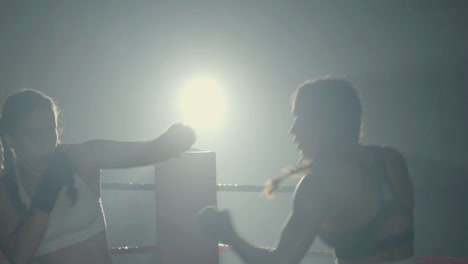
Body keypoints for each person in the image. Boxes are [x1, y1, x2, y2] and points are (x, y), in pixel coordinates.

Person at [199, 78, 415, 264]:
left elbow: (281, 262)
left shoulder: (319, 186)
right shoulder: (390, 160)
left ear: (326, 124)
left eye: (300, 118)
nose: (293, 131)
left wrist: (230, 236)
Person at [0, 89, 196, 264]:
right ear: (11, 141)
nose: (47, 142)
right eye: (35, 135)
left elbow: (151, 151)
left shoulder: (81, 158)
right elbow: (18, 255)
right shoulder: (6, 188)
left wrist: (172, 142)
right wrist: (47, 192)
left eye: (51, 130)